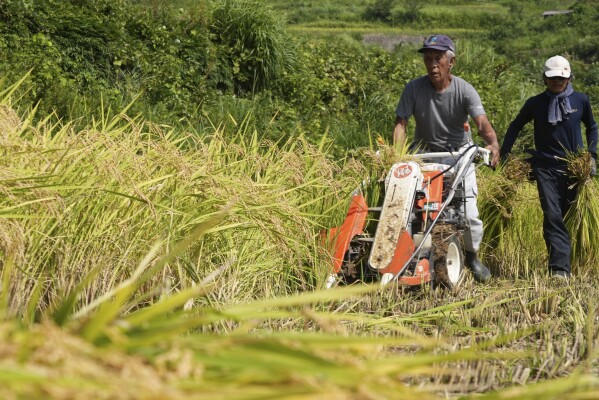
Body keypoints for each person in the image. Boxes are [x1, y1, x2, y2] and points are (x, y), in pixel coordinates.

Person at [393, 34, 500, 283]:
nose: (432, 64)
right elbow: (401, 123)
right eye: (428, 59)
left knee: (469, 212)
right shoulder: (413, 88)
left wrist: (492, 144)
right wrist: (397, 155)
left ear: (451, 62)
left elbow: (481, 121)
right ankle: (407, 256)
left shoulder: (464, 89)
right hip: (424, 155)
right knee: (411, 209)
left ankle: (472, 256)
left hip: (459, 155)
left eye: (437, 59)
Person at [500, 55, 598, 280]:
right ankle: (559, 270)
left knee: (563, 217)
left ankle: (562, 260)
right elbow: (515, 126)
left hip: (574, 170)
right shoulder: (535, 103)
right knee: (552, 214)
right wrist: (505, 154)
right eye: (552, 77)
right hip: (545, 166)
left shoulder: (581, 101)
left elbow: (592, 127)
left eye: (560, 78)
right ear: (544, 78)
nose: (556, 81)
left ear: (569, 78)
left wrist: (591, 155)